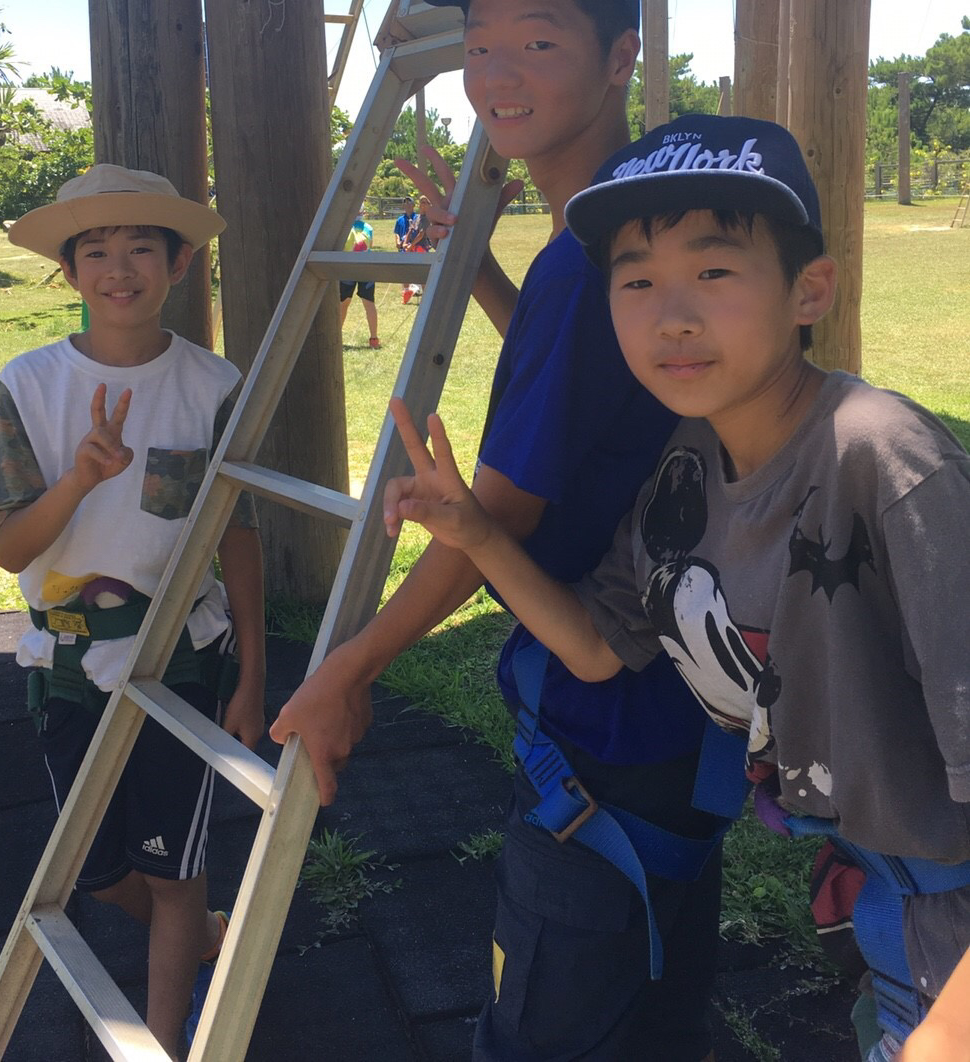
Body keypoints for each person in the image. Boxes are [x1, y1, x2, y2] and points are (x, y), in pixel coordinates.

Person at [384, 114, 970, 1062]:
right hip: (879, 896)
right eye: (638, 280)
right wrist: (475, 533)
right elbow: (594, 645)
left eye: (715, 271)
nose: (673, 315)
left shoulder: (881, 460)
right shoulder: (689, 463)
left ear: (808, 289)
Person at [274, 0, 730, 1062]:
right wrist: (476, 266)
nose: (496, 74)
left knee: (554, 1028)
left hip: (608, 729)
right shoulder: (620, 224)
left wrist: (345, 667)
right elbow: (601, 394)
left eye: (536, 40)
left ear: (620, 55)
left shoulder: (592, 263)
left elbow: (503, 515)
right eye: (478, 45)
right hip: (681, 702)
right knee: (653, 1009)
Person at [0, 164, 266, 1058]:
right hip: (66, 663)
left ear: (178, 263)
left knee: (174, 871)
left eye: (142, 246)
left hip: (181, 656)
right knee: (100, 871)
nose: (120, 269)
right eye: (96, 251)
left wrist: (254, 673)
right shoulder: (27, 385)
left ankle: (167, 1037)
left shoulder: (214, 384)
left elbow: (238, 536)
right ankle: (207, 932)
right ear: (70, 274)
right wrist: (82, 476)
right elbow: (11, 548)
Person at [339, 209, 381, 349]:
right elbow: (371, 246)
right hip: (367, 268)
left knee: (343, 303)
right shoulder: (369, 228)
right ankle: (374, 338)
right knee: (369, 303)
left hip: (347, 268)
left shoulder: (343, 227)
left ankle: (337, 336)